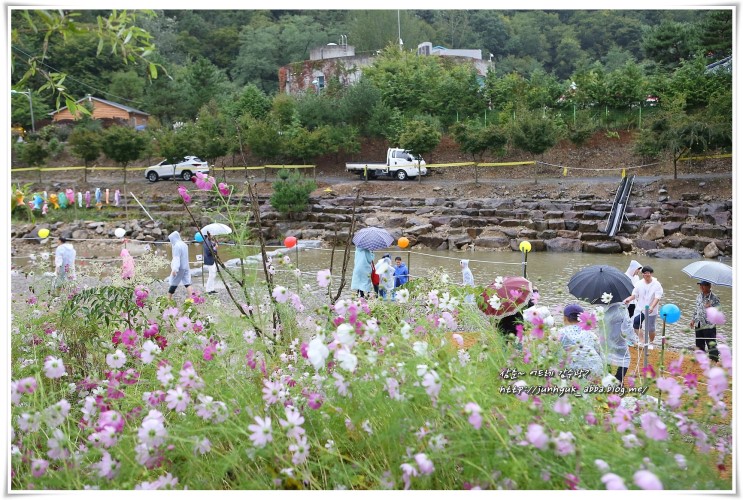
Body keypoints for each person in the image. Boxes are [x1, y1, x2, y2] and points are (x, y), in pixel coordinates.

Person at [557, 304, 604, 379]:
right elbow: (601, 354)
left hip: (572, 372)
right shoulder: (591, 334)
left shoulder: (560, 333)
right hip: (594, 370)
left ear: (565, 318)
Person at [622, 265, 663, 349]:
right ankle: (642, 341)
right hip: (640, 308)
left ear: (651, 274)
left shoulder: (657, 284)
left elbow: (657, 297)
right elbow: (635, 295)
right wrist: (628, 299)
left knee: (651, 327)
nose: (647, 275)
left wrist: (652, 307)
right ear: (642, 274)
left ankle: (651, 343)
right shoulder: (639, 283)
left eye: (649, 273)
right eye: (645, 273)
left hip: (651, 309)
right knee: (636, 323)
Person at [599, 302, 633, 383]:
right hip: (619, 339)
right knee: (626, 358)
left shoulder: (600, 308)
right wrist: (633, 339)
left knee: (605, 356)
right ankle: (619, 379)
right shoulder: (622, 309)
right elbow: (626, 327)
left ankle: (607, 377)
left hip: (604, 337)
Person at [690, 280, 721, 362]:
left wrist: (710, 307)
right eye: (700, 285)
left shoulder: (714, 297)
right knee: (699, 342)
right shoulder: (698, 296)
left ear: (709, 286)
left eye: (703, 285)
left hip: (709, 325)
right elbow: (696, 309)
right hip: (698, 323)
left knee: (711, 343)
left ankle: (714, 359)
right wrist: (693, 319)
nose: (701, 287)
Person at [168, 231, 193, 300]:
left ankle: (168, 299)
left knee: (173, 283)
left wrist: (175, 269)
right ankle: (192, 299)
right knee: (187, 283)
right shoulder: (184, 244)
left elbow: (176, 258)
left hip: (179, 267)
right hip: (186, 266)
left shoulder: (176, 246)